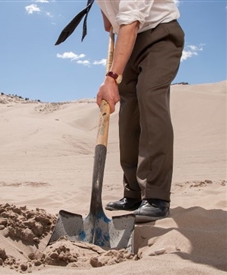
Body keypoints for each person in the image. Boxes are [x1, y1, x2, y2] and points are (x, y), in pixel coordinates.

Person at [56, 1, 185, 222]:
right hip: (129, 42)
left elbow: (132, 20)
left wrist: (111, 78)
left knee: (150, 97)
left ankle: (156, 197)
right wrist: (108, 16)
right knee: (128, 118)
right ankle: (133, 194)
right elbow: (111, 19)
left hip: (159, 35)